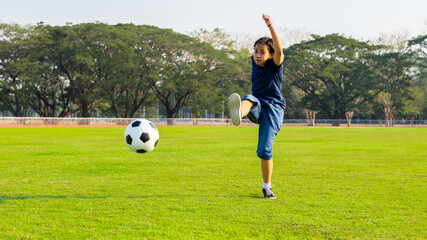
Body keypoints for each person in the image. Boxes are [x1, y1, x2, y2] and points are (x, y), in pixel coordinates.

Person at [228, 14, 285, 199]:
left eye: (262, 52)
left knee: (264, 150)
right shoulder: (253, 61)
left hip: (274, 109)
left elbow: (279, 51)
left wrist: (270, 26)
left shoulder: (274, 66)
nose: (258, 55)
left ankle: (267, 187)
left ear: (270, 54)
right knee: (250, 98)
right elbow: (257, 55)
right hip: (257, 104)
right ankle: (239, 113)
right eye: (256, 51)